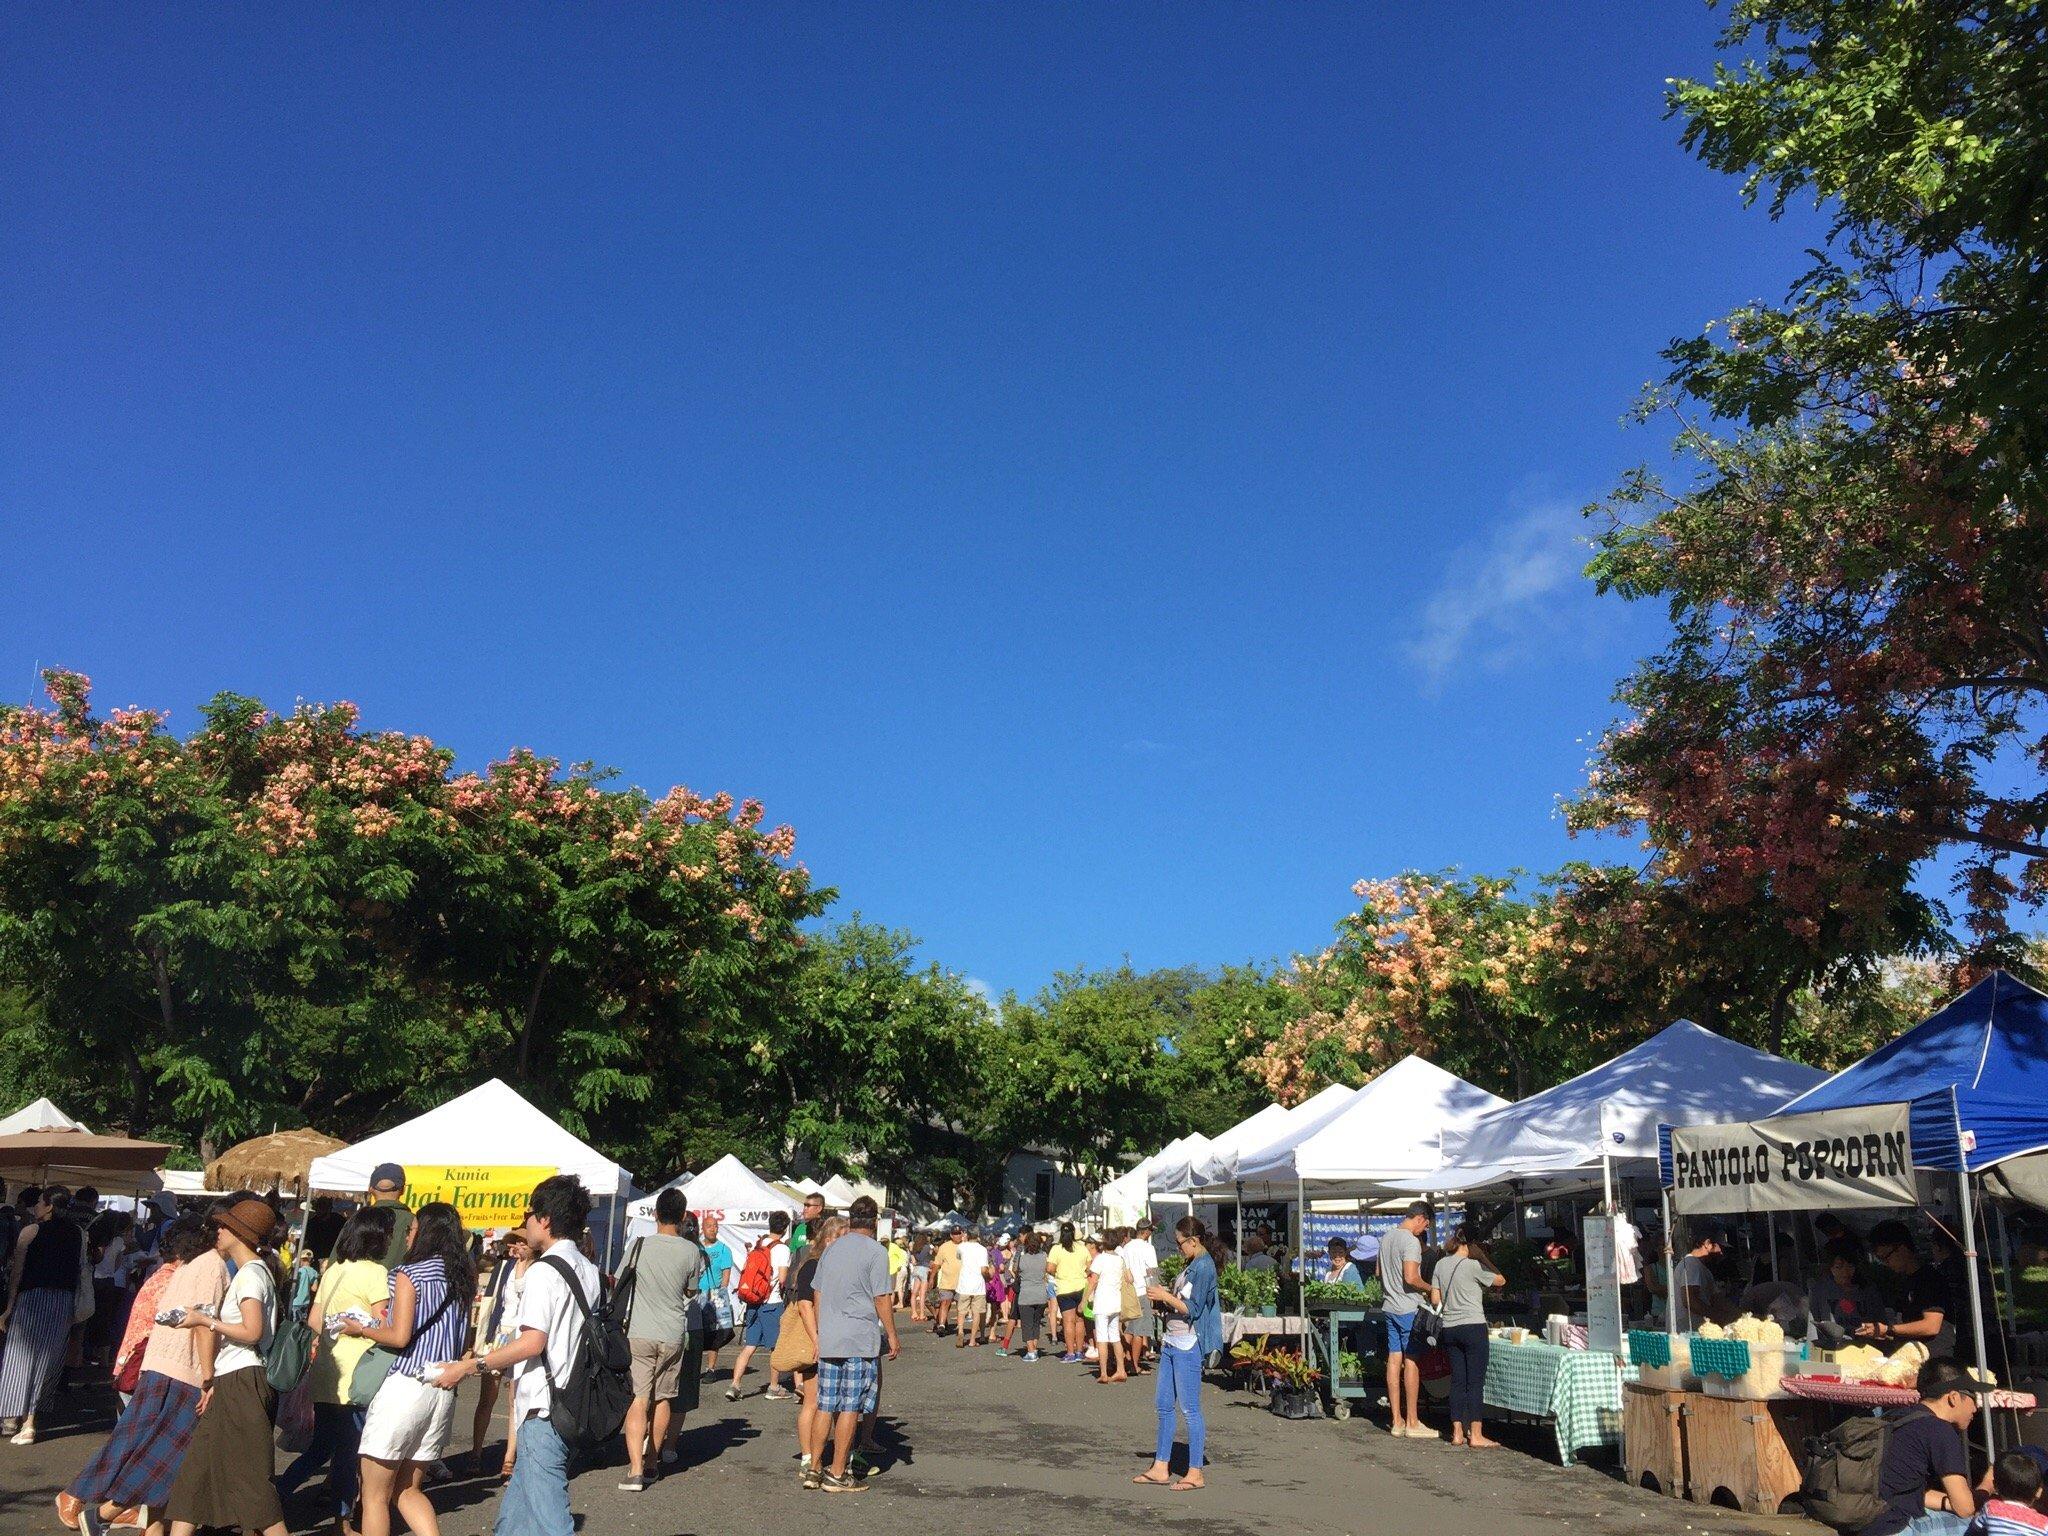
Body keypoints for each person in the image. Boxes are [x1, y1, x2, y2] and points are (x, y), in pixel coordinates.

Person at [432, 1174, 600, 1536]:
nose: (525, 1222)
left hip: (543, 1405)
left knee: (552, 1519)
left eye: (529, 1214)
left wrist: (470, 1366)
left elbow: (532, 1343)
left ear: (545, 1219)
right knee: (518, 1512)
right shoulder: (588, 1268)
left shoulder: (544, 1272)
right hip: (573, 1399)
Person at [57, 1214, 217, 1535]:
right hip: (153, 1369)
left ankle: (144, 1521)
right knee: (137, 1443)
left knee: (144, 1443)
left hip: (149, 1367)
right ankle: (81, 1497)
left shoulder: (169, 1274)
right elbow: (185, 1325)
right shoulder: (176, 1277)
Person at [346, 1201, 475, 1536]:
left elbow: (399, 1335)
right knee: (408, 1489)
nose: (406, 1235)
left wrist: (361, 1328)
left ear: (426, 1233)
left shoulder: (410, 1274)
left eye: (412, 1228)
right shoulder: (462, 1276)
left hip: (406, 1384)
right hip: (442, 1388)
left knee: (374, 1494)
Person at [162, 1197, 287, 1536]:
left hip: (244, 1380)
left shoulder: (250, 1276)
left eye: (223, 1225)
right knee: (197, 1472)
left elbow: (252, 1331)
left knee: (253, 1483)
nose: (217, 1230)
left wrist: (205, 1320)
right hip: (234, 1378)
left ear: (239, 1233)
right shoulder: (253, 1273)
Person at [277, 1204, 393, 1529]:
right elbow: (381, 1325)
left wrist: (334, 1330)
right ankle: (343, 1523)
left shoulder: (334, 1269)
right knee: (348, 1453)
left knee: (319, 1450)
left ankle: (275, 1499)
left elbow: (314, 1320)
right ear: (377, 1238)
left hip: (326, 1370)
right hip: (357, 1375)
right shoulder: (376, 1272)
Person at [616, 1188, 706, 1493]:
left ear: (655, 1213)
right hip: (672, 1333)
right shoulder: (690, 1251)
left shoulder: (639, 1246)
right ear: (682, 1217)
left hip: (639, 1330)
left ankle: (635, 1470)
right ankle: (653, 1462)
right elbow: (691, 1291)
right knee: (664, 1397)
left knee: (638, 1398)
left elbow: (619, 1280)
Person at [809, 1196, 899, 1495]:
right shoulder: (876, 1252)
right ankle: (837, 1473)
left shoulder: (832, 1249)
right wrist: (893, 1335)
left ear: (851, 1220)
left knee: (824, 1405)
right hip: (859, 1338)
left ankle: (814, 1469)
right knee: (850, 1407)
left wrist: (823, 1330)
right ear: (874, 1221)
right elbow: (882, 1297)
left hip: (831, 1336)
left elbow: (817, 1292)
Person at [1134, 1215, 1225, 1494]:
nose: (1178, 1248)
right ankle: (1161, 1466)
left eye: (1180, 1243)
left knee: (1190, 1409)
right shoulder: (1192, 1264)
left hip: (1188, 1344)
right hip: (1172, 1342)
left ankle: (1195, 1471)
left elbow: (1193, 1309)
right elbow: (1180, 1304)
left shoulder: (1205, 1266)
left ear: (1193, 1241)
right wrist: (1165, 1303)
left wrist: (1164, 1296)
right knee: (1163, 1405)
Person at [0, 1184, 87, 1444]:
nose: (36, 1206)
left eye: (39, 1202)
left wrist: (8, 1308)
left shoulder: (30, 1231)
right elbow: (81, 1270)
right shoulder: (78, 1234)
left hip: (31, 1298)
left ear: (49, 1205)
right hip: (63, 1301)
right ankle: (30, 1422)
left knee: (19, 1358)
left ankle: (11, 1417)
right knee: (48, 1362)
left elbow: (17, 1273)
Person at [1862, 1356, 1985, 1535]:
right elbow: (1965, 1508)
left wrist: (1947, 1502)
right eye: (1973, 1397)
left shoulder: (1895, 1417)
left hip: (1867, 1521)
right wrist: (1987, 1486)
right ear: (1953, 1397)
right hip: (1896, 1528)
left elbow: (1910, 1491)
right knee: (1982, 1525)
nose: (1976, 1408)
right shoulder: (1940, 1430)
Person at [1429, 1225, 1507, 1449]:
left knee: (1457, 1381)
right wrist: (1484, 1258)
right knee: (1475, 1382)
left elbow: (1435, 1300)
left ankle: (1456, 1433)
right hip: (1473, 1326)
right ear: (1468, 1246)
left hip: (1450, 1328)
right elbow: (1501, 1280)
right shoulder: (1474, 1265)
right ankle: (1476, 1434)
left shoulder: (1440, 1264)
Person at [782, 1214, 842, 1484]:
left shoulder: (818, 1264)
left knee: (821, 1401)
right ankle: (808, 1456)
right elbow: (805, 1305)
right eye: (842, 1237)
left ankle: (814, 1454)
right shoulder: (814, 1265)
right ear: (830, 1239)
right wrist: (817, 1338)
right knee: (814, 1400)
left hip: (825, 1339)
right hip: (815, 1340)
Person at [1378, 1202, 1433, 1439]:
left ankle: (1396, 1421)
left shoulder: (1387, 1237)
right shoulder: (1410, 1240)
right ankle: (1412, 1421)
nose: (1424, 1230)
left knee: (1393, 1360)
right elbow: (1411, 1277)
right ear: (1420, 1218)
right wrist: (1431, 1287)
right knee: (1411, 1361)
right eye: (1426, 1225)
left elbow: (1379, 1273)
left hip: (1389, 1305)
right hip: (1408, 1308)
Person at [1860, 1221, 1954, 1354]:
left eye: (1886, 1257)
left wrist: (1888, 1329)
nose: (1886, 1263)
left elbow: (1931, 1326)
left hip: (1935, 1359)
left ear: (1902, 1248)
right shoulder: (1905, 1280)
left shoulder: (1929, 1279)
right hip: (1913, 1355)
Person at [726, 1211, 792, 1400]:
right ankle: (773, 1386)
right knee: (775, 1347)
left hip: (753, 1301)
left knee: (750, 1346)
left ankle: (735, 1384)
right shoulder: (782, 1249)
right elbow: (783, 1278)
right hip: (771, 1302)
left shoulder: (759, 1244)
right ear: (786, 1228)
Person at [1809, 1238, 1887, 1338]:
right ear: (1830, 1268)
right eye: (1839, 1267)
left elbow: (1882, 1325)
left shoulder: (1868, 1291)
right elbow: (1814, 1325)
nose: (1845, 1273)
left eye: (1850, 1266)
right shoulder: (1820, 1291)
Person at [1672, 1219, 1732, 1334]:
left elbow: (1718, 1300)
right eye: (1720, 1248)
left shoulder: (1704, 1270)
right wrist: (1719, 1317)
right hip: (1687, 1334)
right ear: (1707, 1244)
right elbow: (1690, 1301)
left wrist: (1742, 1317)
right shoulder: (1690, 1264)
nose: (1721, 1253)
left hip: (1700, 1333)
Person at [697, 1214, 736, 1375]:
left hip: (715, 1294)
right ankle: (693, 1367)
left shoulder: (724, 1250)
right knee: (696, 1331)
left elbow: (726, 1275)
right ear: (703, 1228)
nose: (713, 1229)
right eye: (709, 1226)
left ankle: (711, 1368)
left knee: (715, 1332)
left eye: (715, 1226)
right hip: (697, 1294)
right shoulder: (697, 1248)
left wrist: (721, 1293)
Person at [1976, 1449, 2048, 1536]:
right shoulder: (2044, 1523)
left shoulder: (1990, 1507)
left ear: (1995, 1486)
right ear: (2038, 1492)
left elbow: (1974, 1530)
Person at [1047, 1222, 1090, 1363]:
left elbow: (1049, 1268)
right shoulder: (1082, 1248)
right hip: (1081, 1286)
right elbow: (1089, 1267)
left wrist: (1059, 1273)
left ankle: (1070, 1352)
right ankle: (1079, 1351)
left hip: (1064, 1287)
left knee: (1068, 1321)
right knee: (1079, 1320)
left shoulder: (1056, 1249)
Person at [1089, 1234, 1127, 1383]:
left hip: (1102, 1302)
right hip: (1115, 1302)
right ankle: (1121, 1370)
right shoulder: (1119, 1259)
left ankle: (1104, 1373)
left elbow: (1093, 1281)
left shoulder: (1100, 1259)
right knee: (1115, 1337)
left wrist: (1084, 1299)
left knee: (1102, 1338)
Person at [1121, 1222, 1159, 1375]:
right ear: (1145, 1232)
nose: (1151, 1233)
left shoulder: (1127, 1247)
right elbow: (1152, 1272)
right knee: (1139, 1331)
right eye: (1150, 1231)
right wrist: (1155, 1291)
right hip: (1143, 1290)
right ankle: (1134, 1365)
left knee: (1130, 1328)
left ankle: (1122, 1359)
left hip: (1129, 1292)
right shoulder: (1148, 1248)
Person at [368, 1165, 414, 1271]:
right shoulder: (414, 1222)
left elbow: (334, 1265)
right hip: (398, 1286)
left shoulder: (355, 1220)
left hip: (355, 1287)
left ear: (370, 1189)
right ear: (403, 1189)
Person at [1012, 1231, 1049, 1361]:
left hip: (1026, 1293)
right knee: (1036, 1323)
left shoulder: (1022, 1257)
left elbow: (1014, 1270)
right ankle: (1034, 1348)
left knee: (1026, 1324)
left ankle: (1031, 1351)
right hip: (1041, 1293)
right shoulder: (1044, 1256)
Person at [954, 1227, 991, 1349]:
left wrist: (964, 1241)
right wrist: (988, 1277)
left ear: (967, 1235)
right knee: (976, 1313)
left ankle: (960, 1330)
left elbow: (958, 1257)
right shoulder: (982, 1249)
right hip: (978, 1285)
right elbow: (984, 1269)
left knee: (962, 1310)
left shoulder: (962, 1247)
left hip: (964, 1283)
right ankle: (972, 1340)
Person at [930, 1226, 962, 1337]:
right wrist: (931, 1278)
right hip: (947, 1281)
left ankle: (960, 1325)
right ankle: (942, 1325)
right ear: (951, 1235)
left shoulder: (965, 1246)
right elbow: (937, 1264)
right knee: (945, 1302)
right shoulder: (944, 1247)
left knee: (960, 1305)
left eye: (959, 1233)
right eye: (955, 1234)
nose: (957, 1235)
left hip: (962, 1281)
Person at [303, 1197, 346, 1264]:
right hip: (316, 1257)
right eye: (318, 1208)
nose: (319, 1210)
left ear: (329, 1209)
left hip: (333, 1256)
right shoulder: (312, 1223)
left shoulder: (338, 1220)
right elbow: (307, 1240)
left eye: (322, 1208)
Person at [907, 1235, 931, 1323]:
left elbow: (913, 1260)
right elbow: (931, 1257)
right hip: (924, 1269)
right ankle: (922, 1314)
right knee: (922, 1294)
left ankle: (914, 1313)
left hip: (916, 1269)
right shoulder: (928, 1247)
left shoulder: (915, 1247)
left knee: (914, 1293)